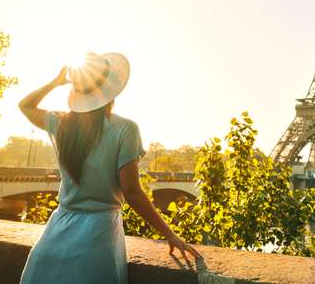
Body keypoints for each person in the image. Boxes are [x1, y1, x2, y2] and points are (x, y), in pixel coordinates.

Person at [18, 52, 200, 284]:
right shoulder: (125, 129)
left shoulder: (61, 124)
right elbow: (132, 192)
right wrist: (170, 235)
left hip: (54, 237)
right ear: (111, 92)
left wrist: (56, 82)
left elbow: (25, 105)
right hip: (97, 239)